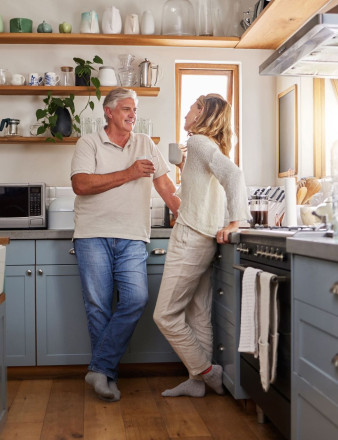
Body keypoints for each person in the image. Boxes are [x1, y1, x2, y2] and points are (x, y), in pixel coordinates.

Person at [71, 87, 180, 402]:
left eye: (135, 110)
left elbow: (164, 184)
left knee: (135, 299)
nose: (133, 115)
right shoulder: (89, 143)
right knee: (98, 307)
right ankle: (107, 377)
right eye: (127, 109)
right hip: (92, 234)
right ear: (109, 111)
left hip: (133, 236)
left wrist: (181, 211)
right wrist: (129, 172)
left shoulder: (145, 143)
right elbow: (81, 184)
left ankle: (99, 368)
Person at [153, 93, 250, 398]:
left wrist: (237, 220)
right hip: (202, 237)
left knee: (165, 315)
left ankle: (207, 371)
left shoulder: (198, 141)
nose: (187, 111)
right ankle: (196, 384)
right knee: (198, 312)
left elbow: (234, 174)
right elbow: (196, 194)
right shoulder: (205, 147)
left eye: (193, 107)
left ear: (202, 115)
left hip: (191, 238)